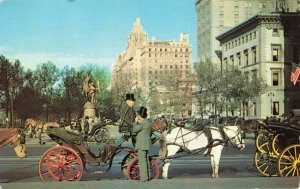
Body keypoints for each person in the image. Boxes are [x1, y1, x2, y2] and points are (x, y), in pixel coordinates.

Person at [132, 106, 152, 182]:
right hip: (147, 144)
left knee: (142, 161)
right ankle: (148, 176)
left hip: (142, 144)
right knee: (146, 160)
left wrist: (135, 121)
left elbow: (134, 130)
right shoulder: (148, 122)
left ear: (140, 116)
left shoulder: (143, 123)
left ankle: (144, 178)